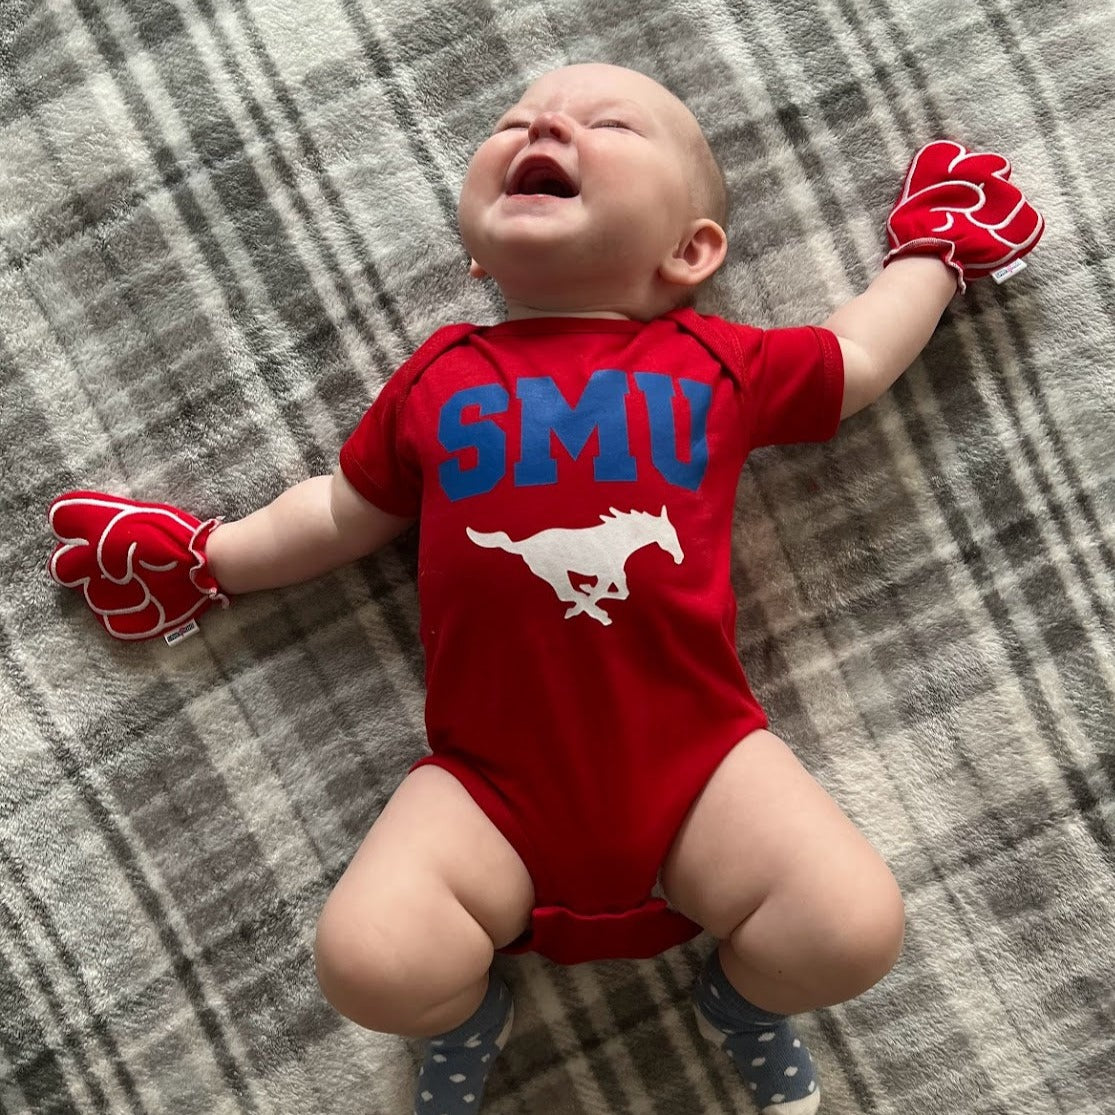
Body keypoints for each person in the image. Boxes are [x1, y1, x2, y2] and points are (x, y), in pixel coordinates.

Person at [47, 63, 1043, 1115]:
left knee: (850, 930)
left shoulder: (710, 359)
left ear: (689, 252)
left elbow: (852, 356)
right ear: (476, 250)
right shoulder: (439, 375)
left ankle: (744, 1000)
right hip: (485, 779)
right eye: (515, 120)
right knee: (367, 962)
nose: (547, 123)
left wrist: (931, 255)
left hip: (700, 754)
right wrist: (212, 556)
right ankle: (465, 1008)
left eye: (607, 123)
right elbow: (343, 510)